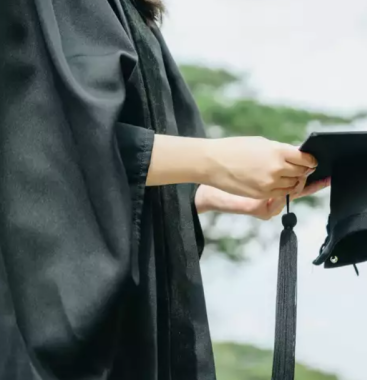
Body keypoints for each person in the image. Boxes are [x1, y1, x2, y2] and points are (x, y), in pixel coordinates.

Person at [0, 0, 330, 379]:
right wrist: (213, 160)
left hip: (142, 333)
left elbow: (125, 163)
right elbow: (45, 146)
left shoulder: (133, 12)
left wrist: (205, 191)